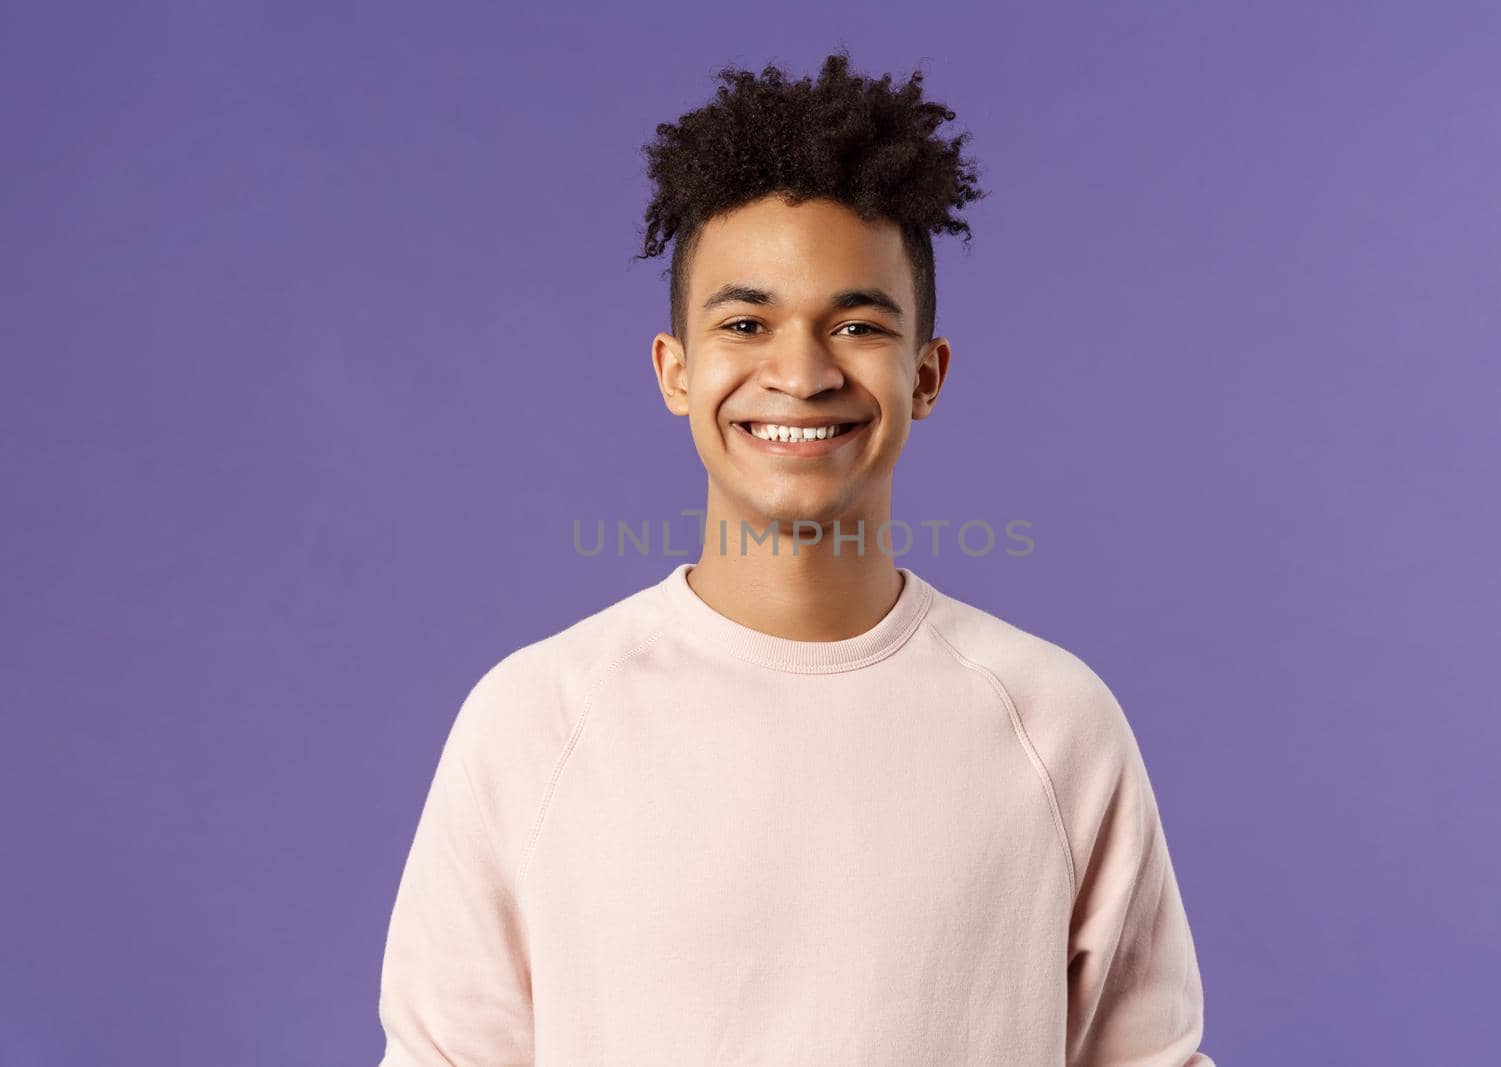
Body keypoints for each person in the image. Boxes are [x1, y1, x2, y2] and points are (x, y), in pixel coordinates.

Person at [376, 51, 1213, 1066]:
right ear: (675, 370)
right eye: (746, 322)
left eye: (856, 324)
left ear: (927, 372)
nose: (801, 373)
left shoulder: (1053, 720)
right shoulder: (536, 719)